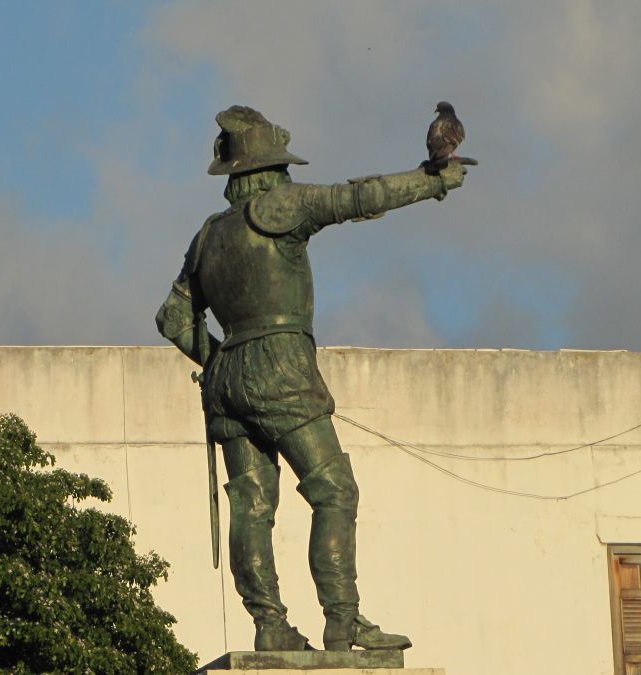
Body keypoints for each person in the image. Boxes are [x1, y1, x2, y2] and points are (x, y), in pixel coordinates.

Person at [155, 105, 466, 652]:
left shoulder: (208, 236)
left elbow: (173, 319)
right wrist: (431, 183)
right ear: (270, 168)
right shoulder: (284, 206)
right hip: (282, 368)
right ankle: (343, 622)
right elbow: (358, 198)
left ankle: (269, 624)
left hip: (226, 379)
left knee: (250, 502)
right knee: (334, 490)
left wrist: (223, 359)